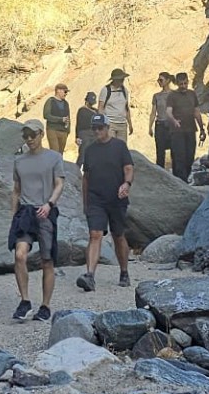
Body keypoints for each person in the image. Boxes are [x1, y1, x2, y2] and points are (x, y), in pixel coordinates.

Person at [9, 119, 65, 321]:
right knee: (19, 255)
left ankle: (45, 305)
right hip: (25, 212)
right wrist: (14, 216)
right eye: (26, 135)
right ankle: (25, 301)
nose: (29, 139)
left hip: (45, 211)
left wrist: (49, 204)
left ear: (41, 134)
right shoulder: (19, 161)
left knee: (47, 260)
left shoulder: (54, 158)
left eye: (33, 135)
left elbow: (59, 184)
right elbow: (16, 190)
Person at [77, 113, 134, 291]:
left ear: (107, 128)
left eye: (100, 128)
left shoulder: (119, 146)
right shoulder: (90, 150)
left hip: (117, 199)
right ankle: (90, 275)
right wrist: (85, 202)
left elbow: (128, 168)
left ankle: (124, 271)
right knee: (95, 234)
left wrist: (127, 183)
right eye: (94, 128)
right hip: (96, 199)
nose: (97, 131)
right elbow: (86, 177)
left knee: (118, 235)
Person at [167, 72, 205, 183]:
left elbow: (196, 112)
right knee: (179, 156)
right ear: (177, 83)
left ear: (188, 82)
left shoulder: (192, 94)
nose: (183, 86)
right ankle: (181, 181)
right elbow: (168, 111)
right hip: (177, 131)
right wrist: (174, 120)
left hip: (191, 129)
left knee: (190, 156)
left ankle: (184, 178)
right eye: (181, 84)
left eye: (185, 83)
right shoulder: (172, 95)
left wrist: (202, 129)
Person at [98, 68, 133, 145]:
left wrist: (130, 124)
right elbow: (100, 107)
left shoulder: (124, 91)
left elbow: (126, 108)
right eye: (121, 79)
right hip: (110, 124)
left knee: (121, 147)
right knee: (111, 146)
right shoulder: (106, 90)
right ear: (115, 80)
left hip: (122, 124)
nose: (122, 80)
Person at [148, 71, 174, 169]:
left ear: (168, 81)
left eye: (161, 80)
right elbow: (153, 112)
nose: (159, 82)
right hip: (160, 125)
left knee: (175, 152)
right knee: (160, 152)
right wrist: (150, 127)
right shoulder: (156, 96)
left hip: (172, 125)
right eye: (158, 80)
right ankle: (160, 173)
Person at [42, 84, 71, 154]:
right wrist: (60, 119)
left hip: (63, 131)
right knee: (54, 152)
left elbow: (68, 117)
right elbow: (46, 115)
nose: (66, 94)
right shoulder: (50, 101)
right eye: (65, 91)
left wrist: (68, 130)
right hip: (53, 130)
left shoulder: (66, 103)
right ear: (58, 91)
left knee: (60, 153)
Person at [74, 91, 98, 167]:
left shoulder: (96, 111)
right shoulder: (82, 110)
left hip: (94, 134)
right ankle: (76, 170)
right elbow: (78, 124)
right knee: (82, 155)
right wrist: (77, 137)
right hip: (84, 134)